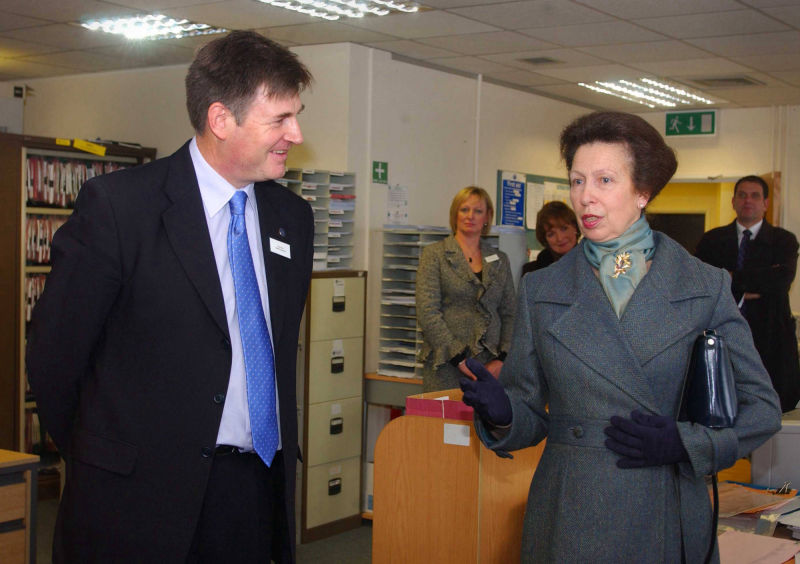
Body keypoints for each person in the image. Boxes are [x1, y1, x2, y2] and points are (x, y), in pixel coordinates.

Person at [26, 31, 314, 563]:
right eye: (280, 119)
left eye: (296, 115)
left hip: (253, 492)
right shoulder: (120, 209)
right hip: (136, 499)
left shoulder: (292, 219)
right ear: (221, 119)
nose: (295, 134)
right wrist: (100, 456)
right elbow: (54, 353)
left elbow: (275, 351)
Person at [460, 112, 781, 562]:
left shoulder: (702, 285)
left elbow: (762, 409)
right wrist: (505, 414)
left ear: (643, 191)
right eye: (576, 180)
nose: (585, 196)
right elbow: (531, 414)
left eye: (605, 180)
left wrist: (688, 443)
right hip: (570, 509)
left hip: (665, 503)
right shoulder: (543, 288)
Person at [695, 175, 800, 412]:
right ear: (733, 201)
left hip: (771, 341)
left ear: (765, 203)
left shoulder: (783, 241)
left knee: (769, 412)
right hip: (722, 339)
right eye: (742, 195)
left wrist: (730, 278)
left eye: (755, 196)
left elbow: (781, 280)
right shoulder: (712, 240)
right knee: (722, 410)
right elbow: (701, 284)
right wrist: (754, 283)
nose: (747, 201)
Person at [416, 186, 516, 392]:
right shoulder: (435, 254)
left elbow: (509, 313)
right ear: (455, 213)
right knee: (444, 424)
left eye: (478, 211)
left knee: (486, 423)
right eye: (464, 210)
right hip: (445, 366)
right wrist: (458, 358)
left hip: (491, 368)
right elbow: (428, 313)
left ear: (487, 217)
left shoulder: (499, 259)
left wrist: (503, 358)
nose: (470, 216)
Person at [521, 200, 580, 275]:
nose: (560, 238)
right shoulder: (531, 272)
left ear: (575, 227)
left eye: (564, 229)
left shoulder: (593, 264)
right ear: (545, 239)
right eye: (551, 234)